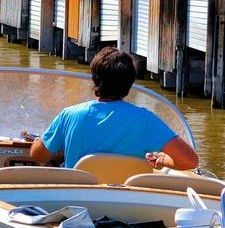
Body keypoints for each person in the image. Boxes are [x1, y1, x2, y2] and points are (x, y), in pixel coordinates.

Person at [22, 47, 199, 172]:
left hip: (79, 202)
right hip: (126, 205)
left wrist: (42, 141)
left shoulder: (70, 115)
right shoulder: (146, 120)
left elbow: (39, 155)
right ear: (130, 84)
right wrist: (164, 160)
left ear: (94, 80)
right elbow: (190, 161)